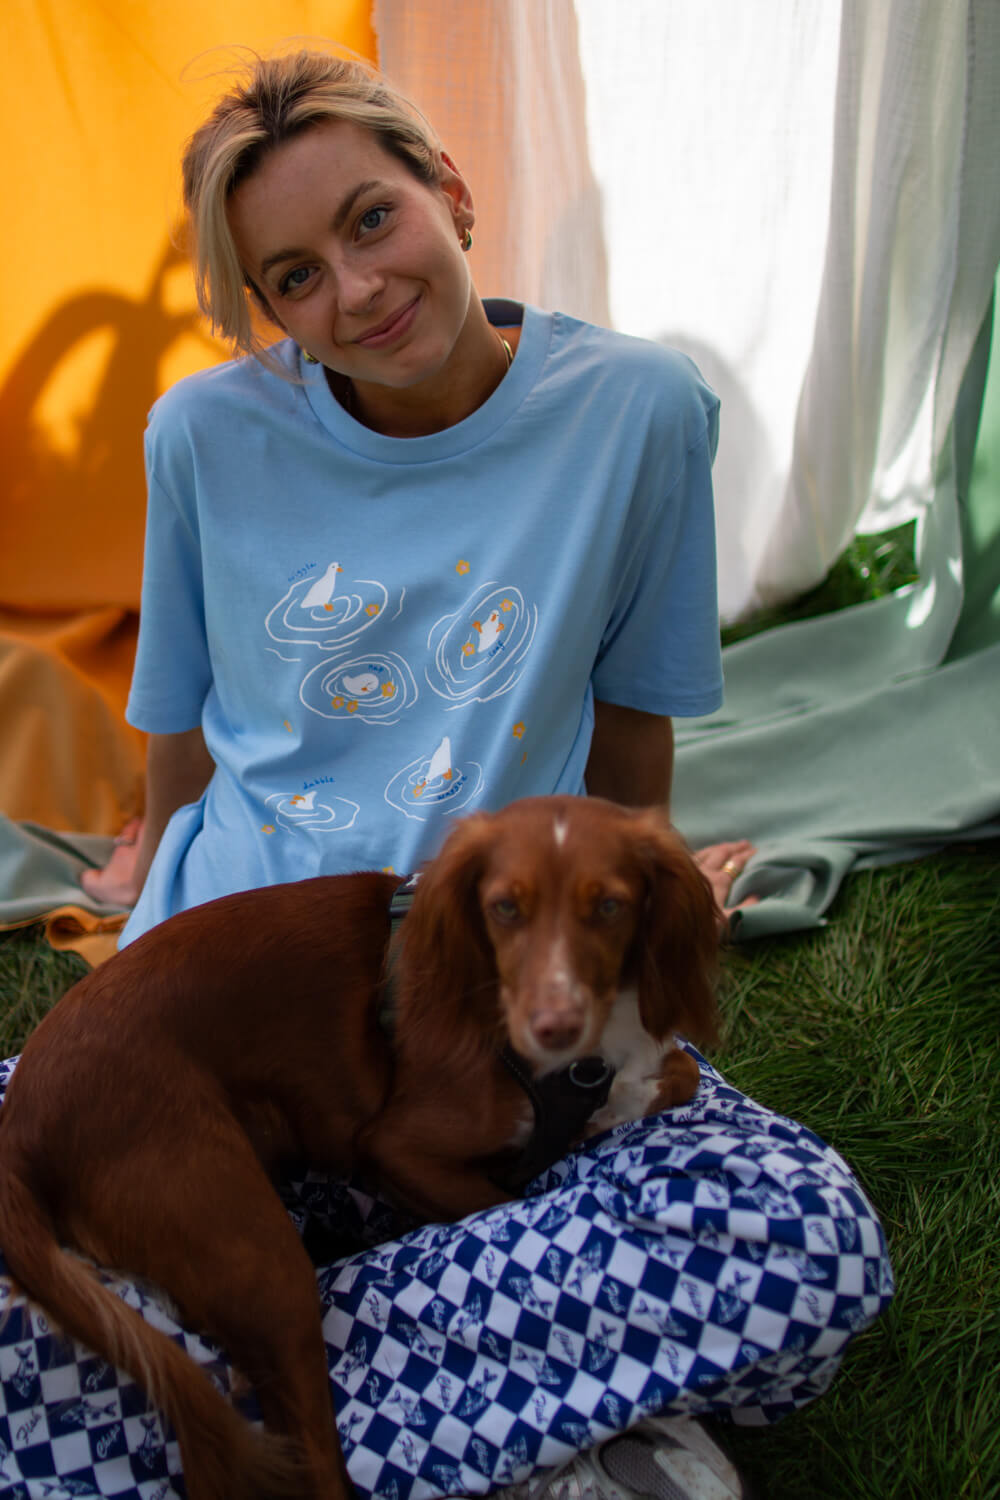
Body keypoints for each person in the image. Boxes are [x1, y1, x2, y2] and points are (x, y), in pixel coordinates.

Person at [0, 51, 892, 1500]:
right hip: (229, 1002)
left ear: (451, 192)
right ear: (268, 311)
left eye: (370, 220)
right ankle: (536, 1413)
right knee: (23, 1198)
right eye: (292, 277)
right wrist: (150, 872)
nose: (352, 290)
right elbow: (177, 725)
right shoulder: (205, 438)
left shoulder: (638, 414)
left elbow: (632, 736)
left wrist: (634, 939)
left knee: (803, 1243)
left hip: (502, 1006)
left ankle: (254, 1381)